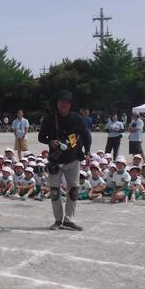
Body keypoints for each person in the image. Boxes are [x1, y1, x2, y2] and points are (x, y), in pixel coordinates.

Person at [38, 90, 92, 231]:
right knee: (55, 192)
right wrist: (51, 142)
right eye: (61, 101)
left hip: (73, 159)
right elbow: (41, 137)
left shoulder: (77, 118)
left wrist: (87, 152)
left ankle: (68, 220)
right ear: (57, 103)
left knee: (73, 190)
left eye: (66, 102)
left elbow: (86, 135)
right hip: (55, 161)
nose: (63, 104)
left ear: (70, 104)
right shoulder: (49, 118)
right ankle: (57, 220)